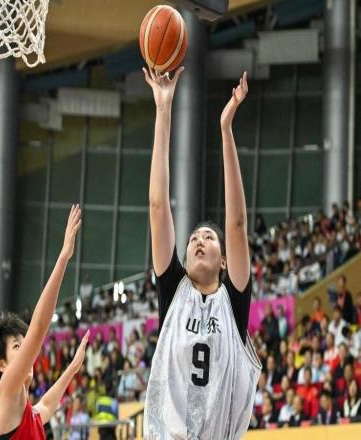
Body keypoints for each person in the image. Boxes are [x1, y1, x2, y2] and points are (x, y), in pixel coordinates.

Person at [142, 67, 261, 440]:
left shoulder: (233, 302)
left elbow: (236, 224)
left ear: (224, 260)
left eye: (209, 237)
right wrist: (164, 108)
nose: (198, 241)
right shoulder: (173, 290)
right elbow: (158, 206)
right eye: (194, 238)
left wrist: (226, 129)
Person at [0, 205, 88, 440]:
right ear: (2, 365)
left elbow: (45, 406)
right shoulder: (5, 392)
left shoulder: (19, 410)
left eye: (23, 343)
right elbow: (38, 329)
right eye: (18, 346)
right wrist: (63, 257)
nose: (26, 349)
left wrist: (72, 369)